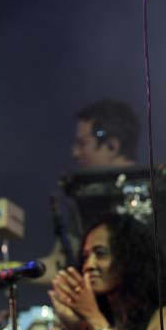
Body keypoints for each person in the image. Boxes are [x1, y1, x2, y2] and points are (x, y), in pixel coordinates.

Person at [39, 98, 140, 283]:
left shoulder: (162, 189)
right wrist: (2, 271)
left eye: (82, 144)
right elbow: (59, 264)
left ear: (112, 146)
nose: (75, 153)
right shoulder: (82, 199)